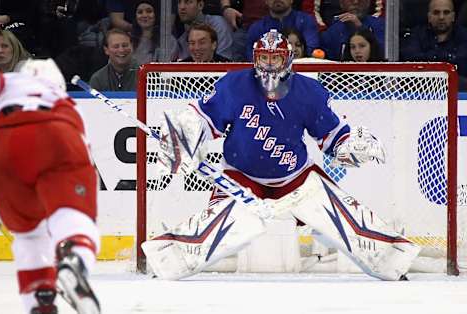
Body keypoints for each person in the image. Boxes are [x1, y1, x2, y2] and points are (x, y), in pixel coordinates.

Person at [143, 29, 421, 282]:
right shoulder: (235, 85)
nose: (269, 65)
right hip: (241, 177)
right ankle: (168, 259)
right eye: (263, 57)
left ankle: (390, 259)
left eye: (275, 58)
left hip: (296, 178)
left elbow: (332, 137)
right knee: (229, 223)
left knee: (341, 213)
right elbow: (203, 119)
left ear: (288, 59)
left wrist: (350, 147)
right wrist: (182, 135)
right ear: (254, 58)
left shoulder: (308, 91)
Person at [0, 58, 100, 313]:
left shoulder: (7, 82)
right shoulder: (64, 101)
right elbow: (82, 154)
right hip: (55, 134)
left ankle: (40, 298)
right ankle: (75, 257)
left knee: (28, 236)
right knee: (73, 217)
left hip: (1, 146)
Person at [400, 0, 467, 81]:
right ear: (429, 17)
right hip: (423, 85)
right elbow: (411, 61)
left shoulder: (464, 36)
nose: (441, 17)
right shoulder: (417, 35)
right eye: (436, 13)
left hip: (457, 86)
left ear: (453, 16)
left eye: (446, 12)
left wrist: (431, 60)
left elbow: (462, 63)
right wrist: (448, 60)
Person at [246, 0, 320, 61]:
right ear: (266, 1)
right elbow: (252, 57)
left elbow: (311, 50)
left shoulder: (305, 21)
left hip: (302, 71)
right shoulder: (257, 27)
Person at [320, 0, 385, 61]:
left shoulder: (381, 25)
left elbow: (384, 56)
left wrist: (361, 28)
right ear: (341, 3)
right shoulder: (332, 32)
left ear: (368, 2)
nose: (356, 2)